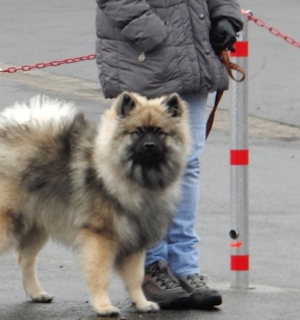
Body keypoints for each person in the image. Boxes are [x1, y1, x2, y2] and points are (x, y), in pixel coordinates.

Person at [95, 0, 243, 309]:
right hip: (145, 54)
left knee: (187, 164)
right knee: (146, 166)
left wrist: (225, 15)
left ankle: (185, 267)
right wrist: (152, 33)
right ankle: (152, 265)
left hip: (193, 52)